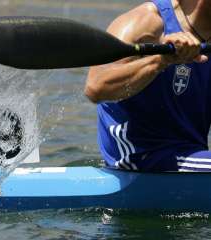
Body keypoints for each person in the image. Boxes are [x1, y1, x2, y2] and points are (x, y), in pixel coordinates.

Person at [85, 0, 211, 172]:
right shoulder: (146, 22)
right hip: (140, 156)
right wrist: (162, 60)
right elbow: (96, 88)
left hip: (192, 153)